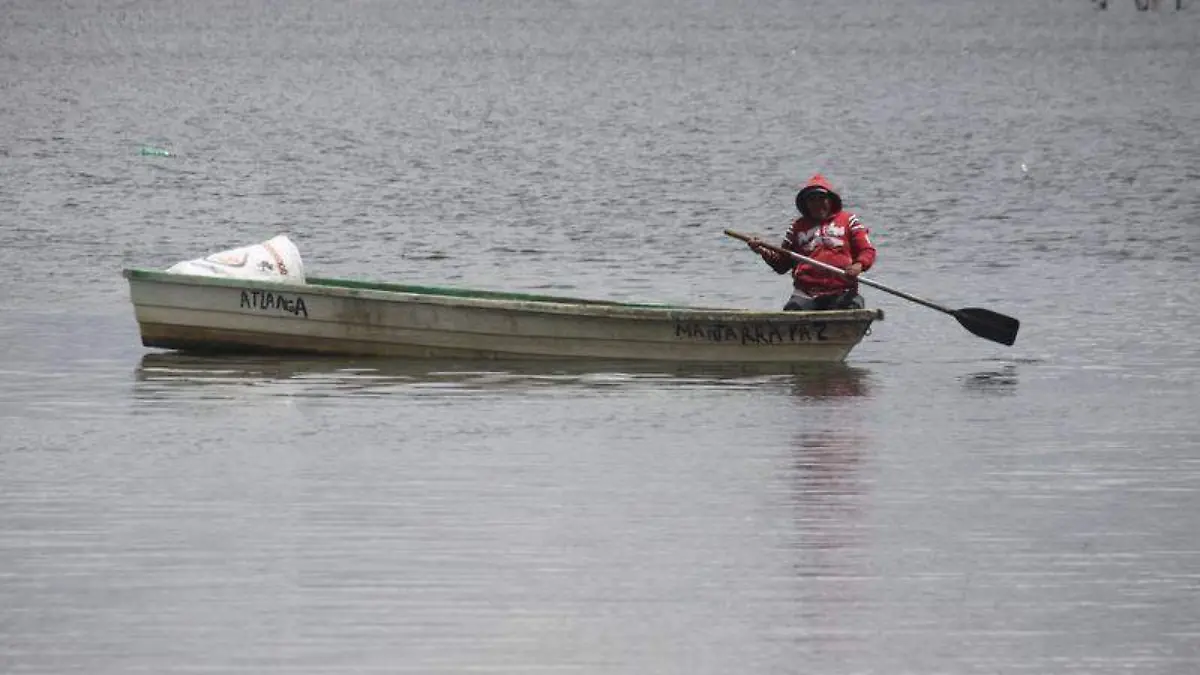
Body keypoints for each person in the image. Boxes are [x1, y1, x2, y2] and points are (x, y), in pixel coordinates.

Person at [747, 174, 877, 311]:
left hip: (843, 290)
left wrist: (859, 265)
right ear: (806, 204)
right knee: (792, 311)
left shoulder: (849, 221)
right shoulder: (796, 227)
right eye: (812, 200)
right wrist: (762, 250)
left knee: (853, 307)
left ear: (831, 201)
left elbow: (867, 250)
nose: (817, 204)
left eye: (822, 199)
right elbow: (782, 265)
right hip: (806, 294)